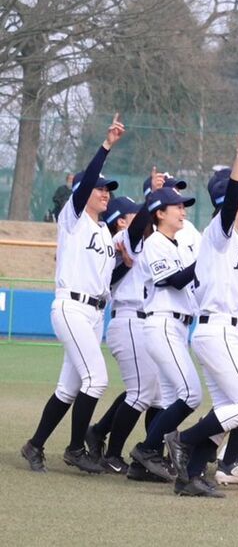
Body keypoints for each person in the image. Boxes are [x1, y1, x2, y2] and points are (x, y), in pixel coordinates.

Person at [165, 122, 238, 497]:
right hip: (217, 332)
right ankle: (181, 440)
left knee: (229, 407)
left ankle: (190, 477)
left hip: (224, 327)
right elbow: (230, 200)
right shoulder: (219, 231)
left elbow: (227, 288)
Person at [21, 114, 125, 474]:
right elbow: (85, 186)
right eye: (99, 188)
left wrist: (125, 263)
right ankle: (76, 448)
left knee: (69, 388)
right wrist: (106, 145)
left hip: (95, 313)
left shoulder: (104, 232)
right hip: (71, 307)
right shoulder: (73, 218)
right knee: (97, 379)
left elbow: (107, 281)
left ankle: (34, 445)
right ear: (83, 192)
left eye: (108, 189)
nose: (105, 192)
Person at [85, 185, 164, 475]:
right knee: (141, 392)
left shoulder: (147, 244)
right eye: (137, 214)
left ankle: (103, 435)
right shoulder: (122, 238)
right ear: (121, 220)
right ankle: (113, 454)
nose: (145, 217)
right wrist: (153, 197)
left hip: (145, 321)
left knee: (152, 393)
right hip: (130, 319)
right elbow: (138, 226)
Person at [129, 172, 200, 483]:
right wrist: (205, 259)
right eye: (178, 207)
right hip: (163, 322)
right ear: (159, 213)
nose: (183, 211)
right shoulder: (155, 242)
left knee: (172, 399)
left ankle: (142, 465)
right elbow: (174, 280)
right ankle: (147, 449)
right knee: (191, 394)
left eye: (184, 207)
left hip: (178, 325)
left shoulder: (177, 244)